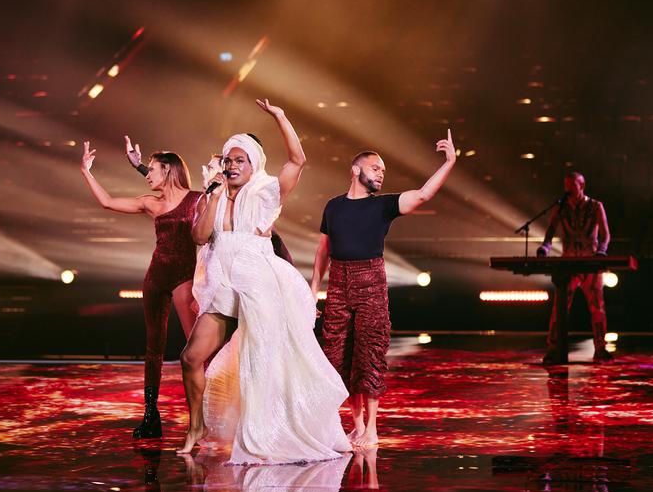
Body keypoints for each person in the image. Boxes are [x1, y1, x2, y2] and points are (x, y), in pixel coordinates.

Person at [178, 99, 350, 463]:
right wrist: (212, 195)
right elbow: (199, 237)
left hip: (258, 281)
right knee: (191, 356)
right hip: (224, 283)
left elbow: (297, 161)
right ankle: (196, 426)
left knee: (263, 365)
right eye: (228, 160)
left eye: (240, 160)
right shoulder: (215, 196)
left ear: (253, 164)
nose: (233, 166)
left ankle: (272, 431)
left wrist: (280, 117)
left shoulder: (267, 190)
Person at [310, 130, 457, 448]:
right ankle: (356, 425)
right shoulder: (333, 207)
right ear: (356, 170)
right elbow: (324, 249)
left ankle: (372, 429)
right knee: (338, 357)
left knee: (370, 356)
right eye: (376, 168)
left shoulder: (383, 206)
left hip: (370, 283)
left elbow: (422, 194)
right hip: (338, 284)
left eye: (383, 171)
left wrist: (449, 162)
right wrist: (313, 288)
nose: (380, 174)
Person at [80, 139, 200, 439]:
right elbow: (107, 202)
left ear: (169, 170)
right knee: (153, 347)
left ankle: (202, 416)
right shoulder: (151, 202)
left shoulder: (199, 199)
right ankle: (150, 416)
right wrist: (86, 172)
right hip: (157, 276)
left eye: (152, 169)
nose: (147, 175)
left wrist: (139, 165)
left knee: (195, 349)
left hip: (186, 276)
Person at [537, 171, 612, 362]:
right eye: (566, 185)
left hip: (589, 263)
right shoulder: (561, 207)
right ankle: (554, 347)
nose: (568, 189)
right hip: (568, 263)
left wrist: (601, 252)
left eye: (572, 185)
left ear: (582, 186)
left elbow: (605, 234)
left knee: (597, 306)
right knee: (560, 307)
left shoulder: (595, 206)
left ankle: (600, 347)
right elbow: (550, 232)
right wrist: (545, 248)